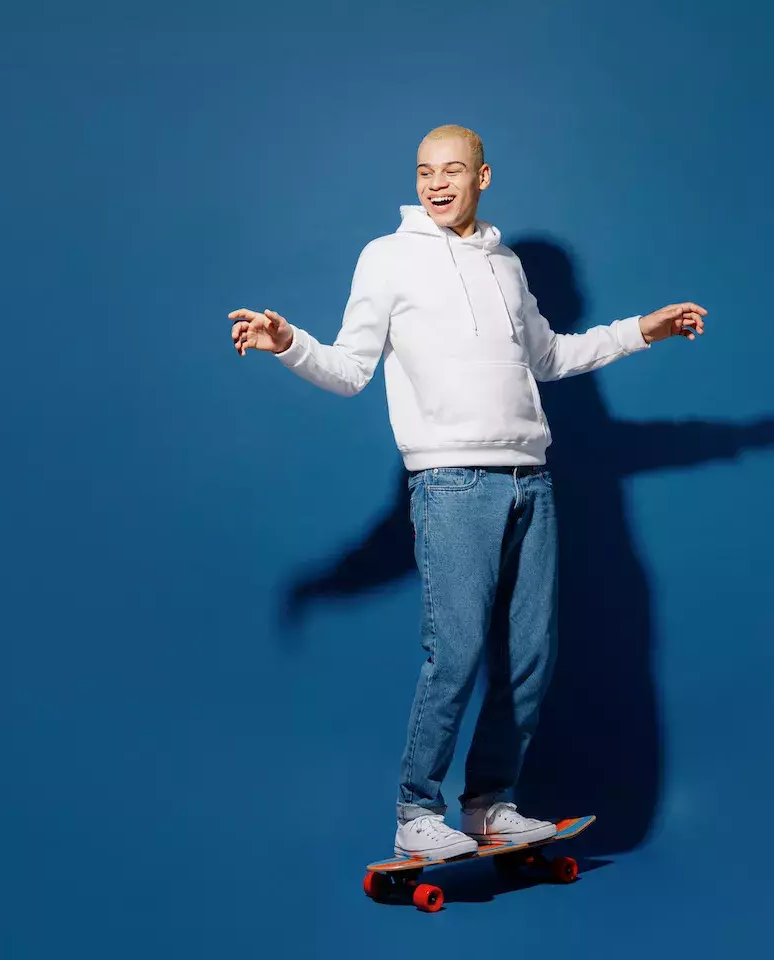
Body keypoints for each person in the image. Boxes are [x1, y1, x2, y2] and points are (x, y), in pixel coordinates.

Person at [229, 125, 706, 859]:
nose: (437, 183)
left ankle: (489, 805)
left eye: (452, 170)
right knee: (454, 654)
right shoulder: (387, 258)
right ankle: (416, 811)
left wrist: (646, 329)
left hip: (532, 481)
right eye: (425, 171)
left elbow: (551, 357)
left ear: (483, 177)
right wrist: (288, 343)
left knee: (531, 656)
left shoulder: (506, 264)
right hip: (451, 483)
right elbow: (350, 370)